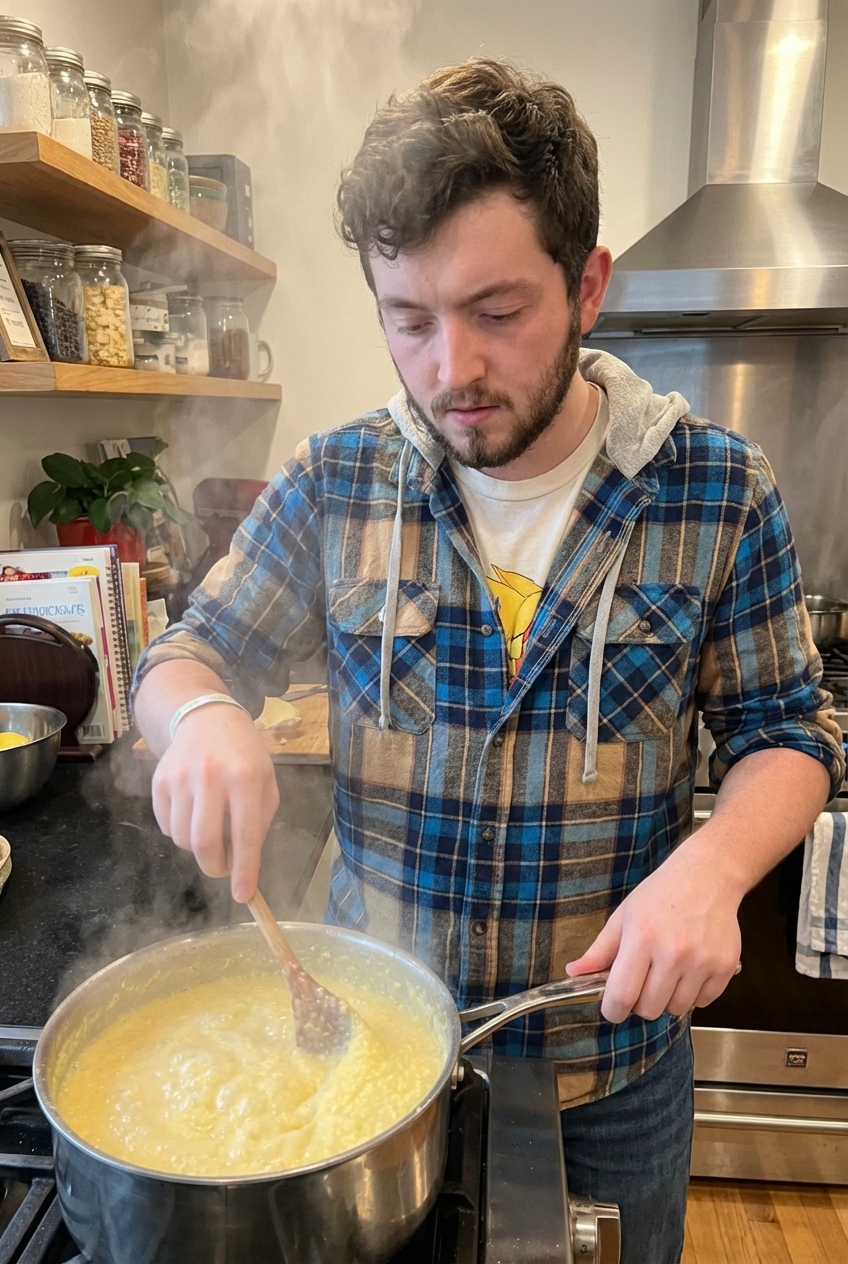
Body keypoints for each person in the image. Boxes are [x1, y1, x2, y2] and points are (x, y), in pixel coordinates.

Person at [133, 59, 844, 1263]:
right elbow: (184, 653)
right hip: (368, 1064)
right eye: (407, 319)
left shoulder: (718, 491)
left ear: (587, 286)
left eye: (496, 312)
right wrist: (198, 719)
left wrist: (716, 864)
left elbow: (784, 731)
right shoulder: (336, 479)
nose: (449, 367)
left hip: (608, 1069)